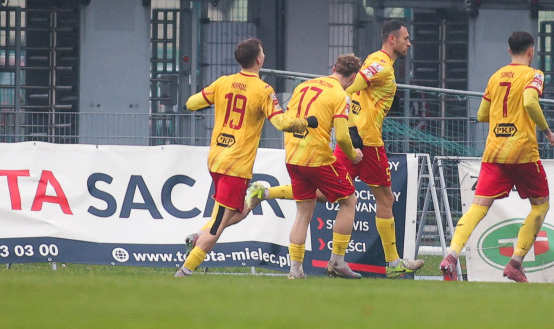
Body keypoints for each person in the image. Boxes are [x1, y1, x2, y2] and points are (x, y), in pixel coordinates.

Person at [254, 20, 424, 278]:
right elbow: (354, 87)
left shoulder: (374, 61)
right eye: (405, 38)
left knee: (322, 193)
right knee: (384, 199)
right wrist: (347, 109)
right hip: (368, 142)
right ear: (392, 39)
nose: (408, 43)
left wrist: (351, 125)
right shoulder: (380, 65)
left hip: (353, 137)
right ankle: (391, 263)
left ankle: (268, 192)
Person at [175, 38, 313, 277]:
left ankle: (200, 234)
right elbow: (281, 123)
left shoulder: (223, 83)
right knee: (218, 225)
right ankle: (184, 272)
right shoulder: (263, 90)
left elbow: (191, 103)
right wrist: (306, 123)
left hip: (216, 158)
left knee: (239, 212)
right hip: (235, 165)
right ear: (259, 59)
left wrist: (217, 103)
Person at [440, 31, 554, 283]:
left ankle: (451, 255)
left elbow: (483, 114)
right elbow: (529, 101)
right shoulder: (534, 74)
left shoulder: (496, 76)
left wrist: (503, 118)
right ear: (531, 51)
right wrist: (547, 131)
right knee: (540, 205)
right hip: (523, 153)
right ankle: (516, 262)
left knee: (478, 208)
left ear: (509, 51)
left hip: (494, 152)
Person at [283, 54, 364, 279]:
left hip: (292, 155)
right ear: (353, 76)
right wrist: (352, 154)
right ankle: (337, 261)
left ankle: (295, 270)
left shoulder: (304, 85)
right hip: (316, 157)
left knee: (303, 212)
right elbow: (343, 137)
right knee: (349, 201)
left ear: (333, 68)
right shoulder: (340, 94)